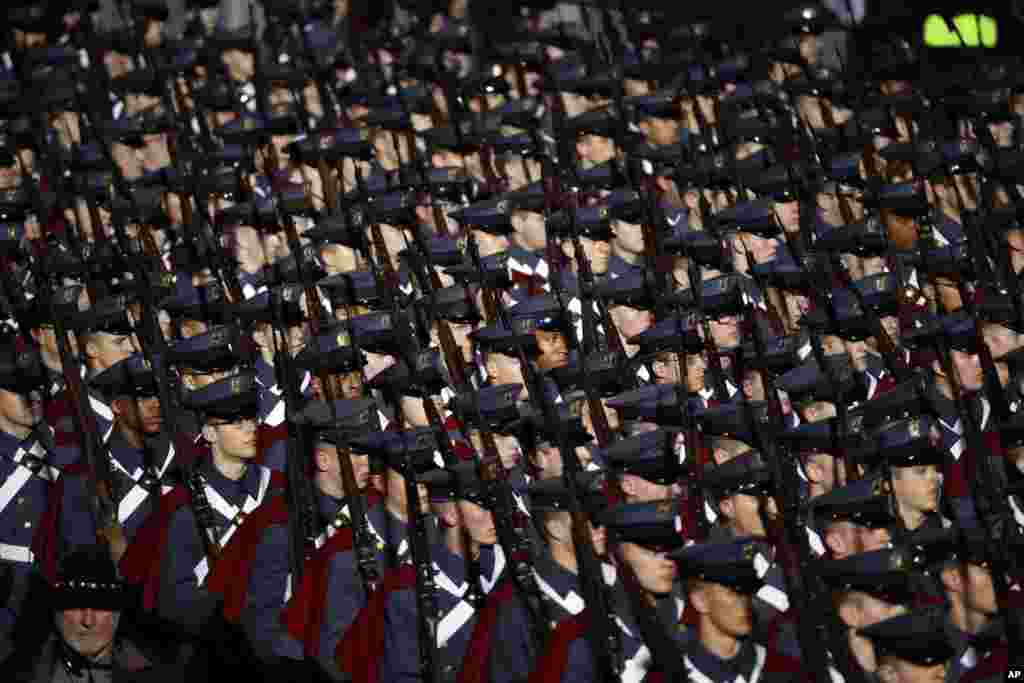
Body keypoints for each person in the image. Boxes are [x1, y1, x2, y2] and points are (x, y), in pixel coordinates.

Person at [3, 543, 185, 682]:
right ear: (55, 611)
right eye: (75, 604)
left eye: (102, 605)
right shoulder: (18, 675)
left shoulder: (162, 676)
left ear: (119, 612)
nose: (88, 620)